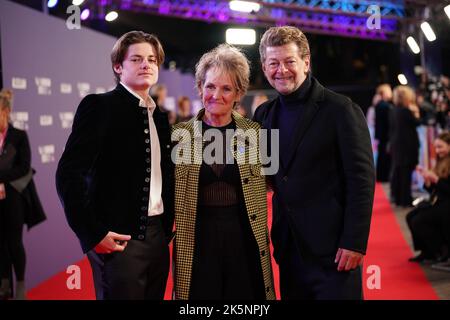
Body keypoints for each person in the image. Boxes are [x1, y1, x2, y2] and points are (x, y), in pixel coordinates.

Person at [253, 26, 375, 300]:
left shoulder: (340, 109)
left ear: (306, 62)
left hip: (335, 252)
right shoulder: (264, 114)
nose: (281, 70)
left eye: (289, 62)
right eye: (273, 63)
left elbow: (361, 180)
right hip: (288, 249)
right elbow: (266, 175)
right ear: (264, 66)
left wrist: (354, 241)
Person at [55, 31, 174, 300]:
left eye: (152, 60)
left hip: (158, 238)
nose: (147, 64)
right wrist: (92, 233)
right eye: (137, 59)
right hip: (118, 240)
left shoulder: (161, 117)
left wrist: (166, 228)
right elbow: (68, 174)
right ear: (118, 67)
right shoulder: (99, 106)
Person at [171, 44, 275, 300]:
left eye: (226, 88)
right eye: (210, 86)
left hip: (244, 241)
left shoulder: (257, 134)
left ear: (239, 93)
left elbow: (276, 184)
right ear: (199, 87)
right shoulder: (178, 135)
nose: (216, 94)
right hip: (196, 244)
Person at [0, 89, 46, 300]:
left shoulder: (19, 135)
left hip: (14, 197)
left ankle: (20, 284)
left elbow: (24, 167)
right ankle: (4, 284)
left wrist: (1, 178)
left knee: (14, 242)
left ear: (6, 112)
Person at [406, 131, 450, 263]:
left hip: (447, 203)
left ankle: (438, 250)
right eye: (436, 147)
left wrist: (436, 180)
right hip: (439, 200)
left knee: (419, 220)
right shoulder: (441, 160)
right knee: (410, 216)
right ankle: (426, 251)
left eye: (440, 147)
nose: (437, 150)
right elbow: (435, 190)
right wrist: (427, 182)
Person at [389, 85, 420, 207]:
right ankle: (405, 200)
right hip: (407, 147)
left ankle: (398, 198)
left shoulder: (393, 110)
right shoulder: (406, 111)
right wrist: (416, 113)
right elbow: (417, 123)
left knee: (399, 173)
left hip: (397, 146)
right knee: (405, 174)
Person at [374, 84, 393, 182]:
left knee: (382, 156)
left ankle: (382, 176)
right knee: (384, 157)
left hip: (381, 135)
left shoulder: (379, 104)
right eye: (389, 90)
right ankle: (384, 176)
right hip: (385, 135)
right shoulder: (384, 105)